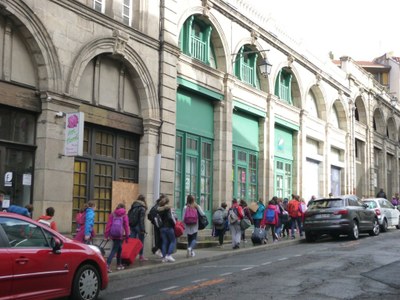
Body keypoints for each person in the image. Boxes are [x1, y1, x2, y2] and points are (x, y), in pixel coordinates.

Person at [104, 203, 130, 273]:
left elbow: (108, 225)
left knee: (119, 248)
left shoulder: (113, 214)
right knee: (114, 249)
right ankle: (107, 265)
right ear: (124, 208)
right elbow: (126, 226)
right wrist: (127, 236)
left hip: (113, 234)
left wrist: (106, 235)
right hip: (119, 234)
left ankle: (119, 264)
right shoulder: (124, 215)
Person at [128, 194, 148, 262]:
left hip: (132, 225)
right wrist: (143, 229)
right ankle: (141, 256)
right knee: (141, 241)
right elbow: (141, 219)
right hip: (139, 226)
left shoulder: (133, 206)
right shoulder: (142, 207)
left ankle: (129, 255)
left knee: (131, 241)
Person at [157, 196, 176, 262]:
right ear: (167, 202)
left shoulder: (159, 210)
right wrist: (174, 224)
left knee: (164, 242)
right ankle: (169, 255)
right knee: (173, 241)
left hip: (162, 228)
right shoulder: (168, 209)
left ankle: (164, 257)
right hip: (169, 227)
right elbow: (170, 218)